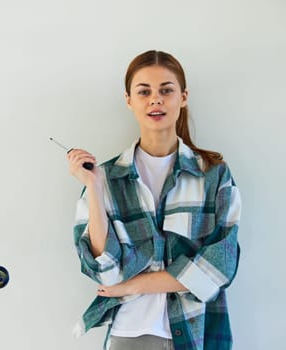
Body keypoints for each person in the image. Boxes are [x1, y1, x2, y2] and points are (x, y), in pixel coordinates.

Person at [67, 50, 241, 350]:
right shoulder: (105, 178)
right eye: (144, 91)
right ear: (129, 100)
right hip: (129, 335)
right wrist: (95, 188)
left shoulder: (214, 176)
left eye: (166, 90)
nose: (155, 100)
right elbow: (105, 272)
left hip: (195, 331)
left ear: (183, 97)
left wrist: (133, 284)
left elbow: (220, 267)